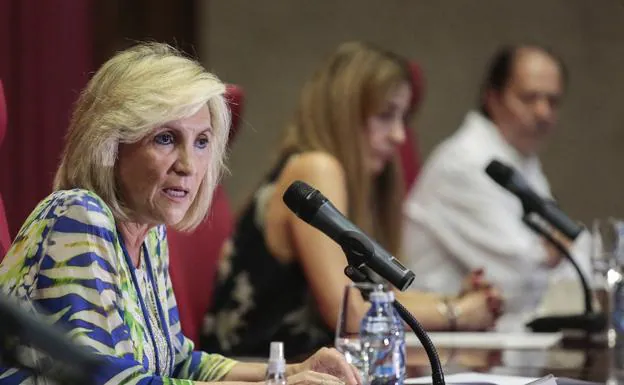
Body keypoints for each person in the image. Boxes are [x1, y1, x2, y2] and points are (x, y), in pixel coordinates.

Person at [0, 43, 360, 385]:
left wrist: (290, 370)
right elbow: (113, 381)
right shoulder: (77, 216)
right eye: (166, 138)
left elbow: (181, 362)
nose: (189, 165)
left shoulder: (149, 233)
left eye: (201, 142)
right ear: (110, 144)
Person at [202, 41, 502, 359]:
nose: (399, 136)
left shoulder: (339, 174)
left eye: (403, 119)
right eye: (386, 116)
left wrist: (456, 302)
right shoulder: (316, 168)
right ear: (343, 115)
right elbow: (353, 317)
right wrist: (458, 314)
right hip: (260, 371)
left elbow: (375, 297)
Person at [401, 44, 573, 331]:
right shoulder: (466, 162)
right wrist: (549, 255)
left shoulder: (522, 161)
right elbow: (517, 279)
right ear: (492, 98)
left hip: (486, 337)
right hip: (436, 346)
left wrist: (554, 255)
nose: (543, 112)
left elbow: (572, 257)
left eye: (553, 101)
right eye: (529, 98)